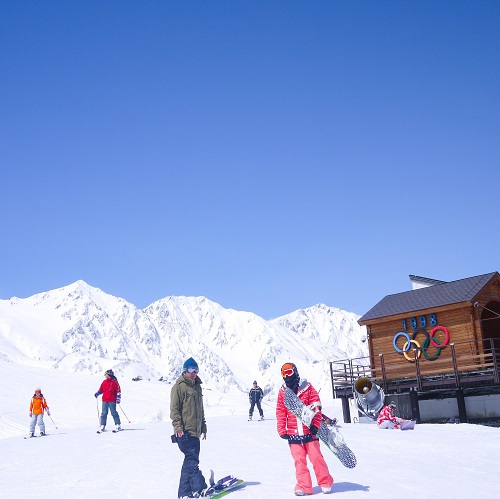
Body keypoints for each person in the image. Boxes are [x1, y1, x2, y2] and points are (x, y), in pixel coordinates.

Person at [276, 362, 334, 496]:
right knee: (299, 461)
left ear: (295, 371)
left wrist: (316, 424)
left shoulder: (307, 387)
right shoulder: (283, 392)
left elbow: (316, 407)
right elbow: (280, 411)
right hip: (293, 433)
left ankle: (325, 482)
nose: (286, 376)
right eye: (283, 373)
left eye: (289, 372)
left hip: (309, 432)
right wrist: (282, 429)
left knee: (316, 458)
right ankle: (303, 485)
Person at [170, 357, 209, 499]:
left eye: (196, 370)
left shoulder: (197, 387)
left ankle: (184, 493)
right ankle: (200, 488)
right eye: (191, 370)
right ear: (185, 371)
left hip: (196, 432)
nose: (194, 373)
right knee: (192, 462)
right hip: (185, 432)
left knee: (189, 461)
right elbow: (174, 410)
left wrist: (203, 427)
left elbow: (201, 410)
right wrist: (178, 427)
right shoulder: (179, 387)